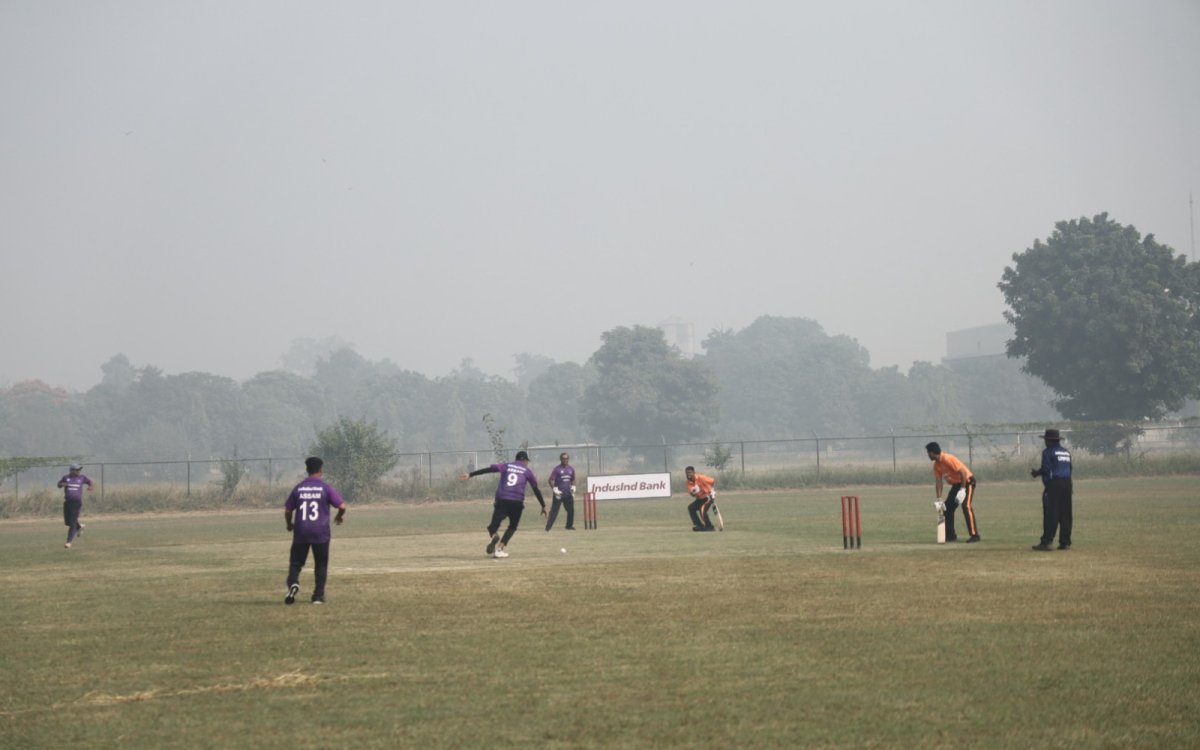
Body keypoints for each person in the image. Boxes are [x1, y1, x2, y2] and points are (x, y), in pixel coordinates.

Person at [284, 456, 346, 605]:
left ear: (307, 470)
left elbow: (288, 510)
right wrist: (338, 516)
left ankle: (293, 583)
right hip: (320, 532)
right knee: (321, 564)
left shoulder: (299, 488)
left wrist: (289, 524)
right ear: (321, 470)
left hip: (301, 531)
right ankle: (317, 597)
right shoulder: (325, 488)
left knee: (296, 563)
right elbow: (342, 506)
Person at [461, 450, 546, 558]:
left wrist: (471, 474)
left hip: (502, 499)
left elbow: (489, 469)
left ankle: (494, 535)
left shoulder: (506, 466)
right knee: (512, 526)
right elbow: (536, 489)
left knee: (492, 526)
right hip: (517, 501)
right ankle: (500, 549)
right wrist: (543, 505)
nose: (527, 463)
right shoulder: (527, 471)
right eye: (527, 461)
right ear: (524, 460)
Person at [925, 442, 980, 543]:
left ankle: (975, 535)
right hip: (957, 485)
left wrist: (963, 490)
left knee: (966, 506)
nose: (928, 455)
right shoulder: (936, 465)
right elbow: (939, 482)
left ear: (932, 452)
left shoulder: (948, 459)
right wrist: (939, 499)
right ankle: (951, 536)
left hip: (967, 482)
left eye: (928, 453)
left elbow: (963, 472)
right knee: (946, 509)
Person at [1030, 428, 1073, 551]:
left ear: (1049, 441)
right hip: (1067, 483)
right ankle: (1065, 542)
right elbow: (1070, 468)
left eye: (1045, 440)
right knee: (1065, 513)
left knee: (1051, 512)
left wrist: (1036, 473)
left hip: (1054, 484)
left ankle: (1046, 542)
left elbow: (1046, 469)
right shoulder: (1066, 452)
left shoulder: (1048, 452)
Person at [57, 462, 93, 549]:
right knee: (68, 522)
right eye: (76, 470)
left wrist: (90, 486)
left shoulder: (82, 477)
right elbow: (59, 484)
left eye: (79, 470)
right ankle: (79, 526)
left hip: (76, 503)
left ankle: (68, 542)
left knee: (72, 522)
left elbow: (89, 482)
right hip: (67, 503)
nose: (78, 471)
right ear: (72, 470)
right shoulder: (66, 477)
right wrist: (62, 484)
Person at [545, 452, 577, 531]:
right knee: (554, 512)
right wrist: (555, 489)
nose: (565, 460)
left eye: (566, 458)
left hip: (568, 493)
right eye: (563, 458)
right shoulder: (557, 469)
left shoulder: (571, 469)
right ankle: (548, 528)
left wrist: (573, 487)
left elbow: (572, 479)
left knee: (571, 510)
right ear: (561, 459)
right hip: (559, 494)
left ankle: (569, 526)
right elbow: (550, 480)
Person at [684, 466, 716, 531]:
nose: (688, 474)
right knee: (691, 508)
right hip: (699, 499)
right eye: (687, 473)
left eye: (690, 472)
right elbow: (692, 494)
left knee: (702, 510)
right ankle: (699, 525)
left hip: (707, 497)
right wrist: (694, 492)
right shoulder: (688, 482)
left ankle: (710, 527)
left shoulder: (701, 477)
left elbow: (712, 481)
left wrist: (712, 491)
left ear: (693, 472)